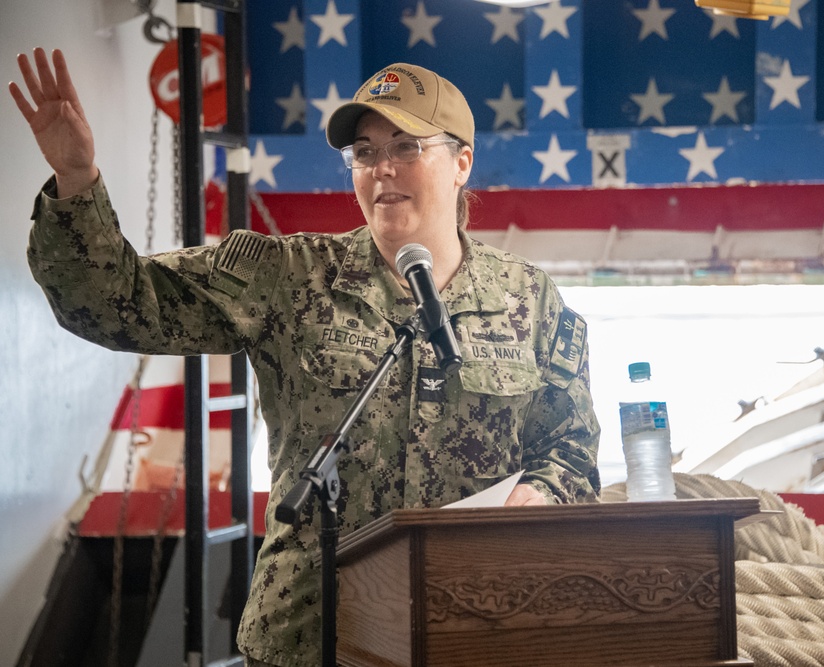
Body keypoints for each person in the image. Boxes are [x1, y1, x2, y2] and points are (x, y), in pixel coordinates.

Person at [11, 49, 601, 666]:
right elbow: (113, 302)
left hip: (473, 629)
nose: (381, 169)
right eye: (365, 153)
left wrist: (544, 493)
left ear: (461, 163)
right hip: (313, 632)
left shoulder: (529, 300)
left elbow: (570, 451)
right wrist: (76, 179)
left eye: (405, 147)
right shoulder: (291, 277)